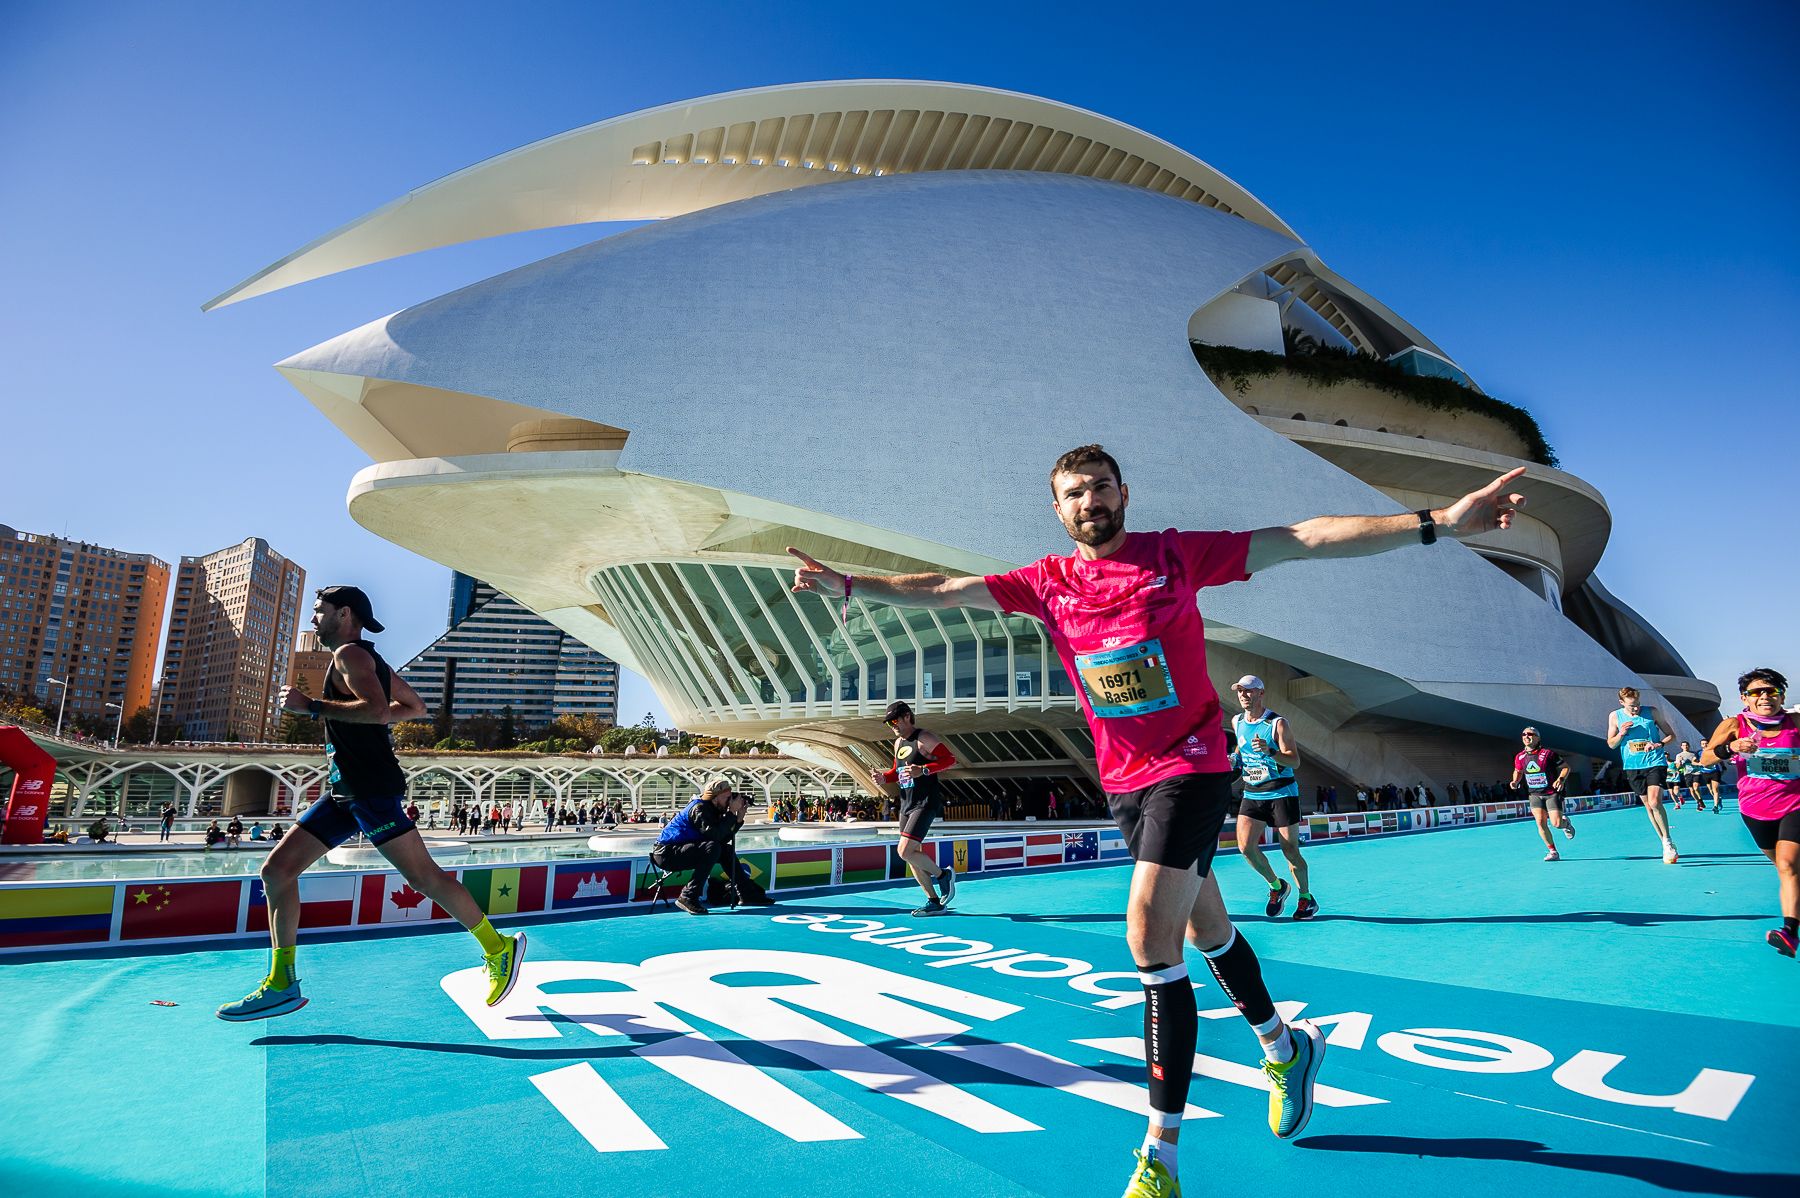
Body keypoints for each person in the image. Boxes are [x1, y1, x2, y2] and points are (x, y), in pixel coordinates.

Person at [790, 445, 1529, 1197]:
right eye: (1075, 493)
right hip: (1124, 784)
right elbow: (945, 588)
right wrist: (851, 583)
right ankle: (1285, 1047)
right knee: (1209, 931)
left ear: (1124, 493)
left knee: (1148, 934)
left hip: (1194, 765)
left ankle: (1161, 1157)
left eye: (1101, 487)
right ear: (1058, 509)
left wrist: (1440, 521)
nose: (1091, 501)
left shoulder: (1175, 557)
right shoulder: (1045, 582)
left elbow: (1302, 537)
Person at [217, 585, 524, 1021]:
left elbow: (379, 712)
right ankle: (282, 982)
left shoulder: (351, 656)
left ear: (344, 614)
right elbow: (413, 707)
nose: (313, 619)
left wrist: (312, 707)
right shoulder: (366, 659)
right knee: (277, 870)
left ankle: (499, 948)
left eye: (319, 610)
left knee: (424, 878)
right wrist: (354, 718)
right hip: (346, 791)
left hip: (369, 789)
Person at [1702, 669, 1799, 956]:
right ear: (1745, 698)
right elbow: (1705, 758)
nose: (1765, 697)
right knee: (1786, 870)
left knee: (1788, 865)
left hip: (1795, 804)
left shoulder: (1795, 722)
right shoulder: (1734, 724)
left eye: (1771, 691)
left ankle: (1789, 933)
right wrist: (1730, 747)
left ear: (1781, 695)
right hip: (1756, 810)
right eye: (1756, 692)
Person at [1229, 676, 1316, 920]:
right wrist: (1235, 758)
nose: (1243, 695)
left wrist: (1271, 751)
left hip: (1281, 792)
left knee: (1290, 851)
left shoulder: (1277, 724)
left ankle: (1306, 898)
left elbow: (1294, 761)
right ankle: (1277, 887)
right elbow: (1242, 745)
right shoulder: (1236, 721)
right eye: (1240, 691)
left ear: (1261, 693)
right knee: (1246, 848)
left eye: (1248, 691)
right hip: (1252, 791)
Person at [871, 700, 959, 917]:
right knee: (912, 855)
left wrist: (925, 770)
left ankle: (943, 875)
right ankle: (934, 901)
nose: (892, 726)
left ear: (907, 717)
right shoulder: (898, 743)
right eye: (889, 723)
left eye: (894, 721)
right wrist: (884, 778)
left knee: (904, 851)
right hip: (907, 804)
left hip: (925, 802)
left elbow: (950, 760)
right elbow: (898, 770)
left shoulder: (924, 738)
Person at [651, 779, 770, 914]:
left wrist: (738, 820)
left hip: (680, 850)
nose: (729, 801)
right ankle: (688, 896)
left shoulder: (714, 809)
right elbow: (715, 837)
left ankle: (746, 893)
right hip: (665, 853)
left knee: (726, 850)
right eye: (727, 798)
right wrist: (731, 813)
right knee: (712, 847)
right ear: (715, 798)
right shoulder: (699, 809)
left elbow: (722, 840)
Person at [1607, 685, 1680, 864]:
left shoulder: (1652, 712)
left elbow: (1671, 735)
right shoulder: (1615, 716)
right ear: (1621, 702)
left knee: (1655, 802)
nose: (1636, 708)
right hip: (1633, 766)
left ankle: (1668, 841)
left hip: (1655, 762)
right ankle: (1664, 842)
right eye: (1632, 705)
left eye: (1638, 704)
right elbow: (1611, 744)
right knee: (1648, 806)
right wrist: (1622, 733)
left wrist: (1658, 744)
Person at [1510, 727, 1574, 860]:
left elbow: (1566, 767)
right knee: (1540, 822)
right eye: (1524, 734)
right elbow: (1518, 770)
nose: (1526, 736)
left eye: (1530, 734)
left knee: (1556, 824)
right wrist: (1515, 781)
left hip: (1551, 793)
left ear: (1538, 738)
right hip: (1534, 794)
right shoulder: (1520, 756)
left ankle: (1566, 824)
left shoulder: (1548, 753)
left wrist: (1560, 779)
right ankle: (1553, 852)